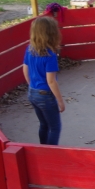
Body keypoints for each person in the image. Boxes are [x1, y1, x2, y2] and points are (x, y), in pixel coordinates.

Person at [23, 16, 65, 145]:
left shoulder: (30, 49)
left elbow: (25, 69)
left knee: (43, 124)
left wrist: (32, 85)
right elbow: (51, 81)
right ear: (51, 34)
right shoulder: (50, 55)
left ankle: (43, 148)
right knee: (55, 127)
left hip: (32, 92)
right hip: (45, 95)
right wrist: (60, 101)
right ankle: (51, 154)